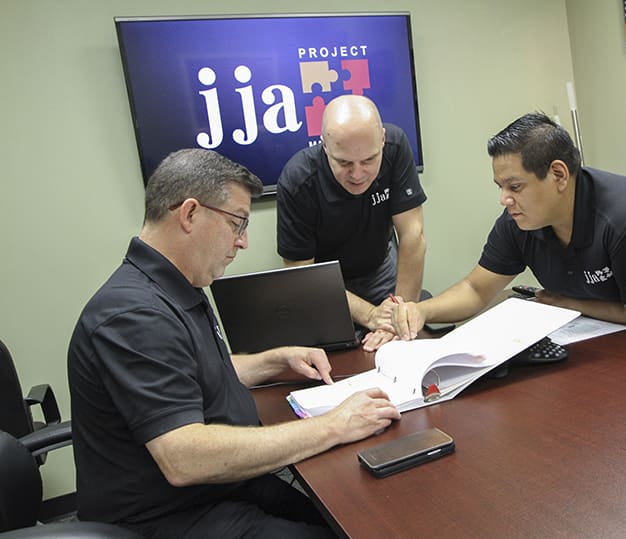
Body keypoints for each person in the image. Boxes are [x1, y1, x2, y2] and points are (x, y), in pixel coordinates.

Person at [67, 149, 401, 538]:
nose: (242, 241)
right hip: (168, 517)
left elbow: (192, 371)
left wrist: (274, 361)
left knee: (352, 515)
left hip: (218, 490)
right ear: (190, 214)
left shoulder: (171, 286)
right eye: (237, 223)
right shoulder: (132, 316)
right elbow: (185, 457)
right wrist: (334, 425)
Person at [388, 112, 626, 343]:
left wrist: (563, 303)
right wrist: (423, 311)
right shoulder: (518, 223)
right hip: (625, 308)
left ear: (559, 175)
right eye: (500, 187)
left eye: (514, 187)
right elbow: (476, 287)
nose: (504, 199)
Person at [276, 95, 427, 350]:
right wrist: (370, 315)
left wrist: (401, 314)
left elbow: (413, 234)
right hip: (324, 286)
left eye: (369, 160)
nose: (357, 174)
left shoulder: (396, 146)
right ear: (324, 146)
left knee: (401, 346)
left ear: (382, 139)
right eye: (344, 162)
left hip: (380, 269)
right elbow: (302, 275)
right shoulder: (297, 180)